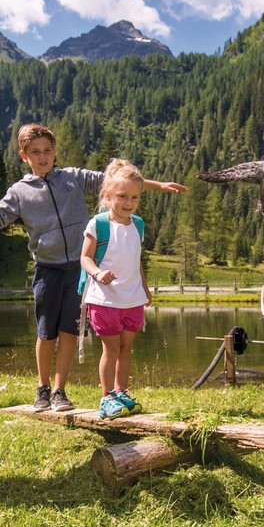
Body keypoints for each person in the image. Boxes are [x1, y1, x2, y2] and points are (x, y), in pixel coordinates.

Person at [0, 123, 185, 412]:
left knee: (69, 330)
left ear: (55, 152)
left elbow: (117, 183)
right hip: (47, 269)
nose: (43, 157)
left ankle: (59, 390)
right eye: (35, 153)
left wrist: (159, 186)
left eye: (47, 151)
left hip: (79, 272)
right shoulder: (19, 193)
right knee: (46, 332)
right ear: (24, 155)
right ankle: (42, 388)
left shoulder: (73, 178)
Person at [80, 159, 154, 419]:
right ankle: (107, 397)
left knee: (126, 348)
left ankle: (122, 392)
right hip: (105, 299)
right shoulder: (98, 224)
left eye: (134, 197)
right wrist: (98, 273)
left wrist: (144, 289)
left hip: (132, 298)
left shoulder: (138, 225)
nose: (128, 202)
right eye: (122, 196)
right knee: (110, 349)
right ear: (108, 195)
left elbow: (136, 261)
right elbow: (85, 258)